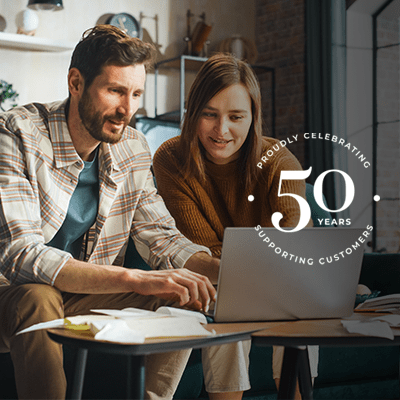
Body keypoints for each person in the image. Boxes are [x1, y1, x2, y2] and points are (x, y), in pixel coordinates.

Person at [0, 25, 221, 400]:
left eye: (135, 94)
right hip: (12, 294)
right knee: (38, 296)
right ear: (75, 82)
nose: (127, 109)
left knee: (183, 295)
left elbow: (162, 237)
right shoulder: (17, 132)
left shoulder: (132, 147)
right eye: (115, 91)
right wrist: (135, 278)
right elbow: (21, 255)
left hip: (83, 296)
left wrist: (237, 276)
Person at [153, 53, 318, 399]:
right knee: (225, 307)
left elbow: (295, 249)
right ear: (192, 113)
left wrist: (266, 266)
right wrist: (260, 264)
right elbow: (200, 253)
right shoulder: (171, 159)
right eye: (209, 114)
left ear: (253, 117)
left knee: (300, 308)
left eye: (236, 117)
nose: (221, 130)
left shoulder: (280, 162)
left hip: (276, 283)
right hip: (219, 282)